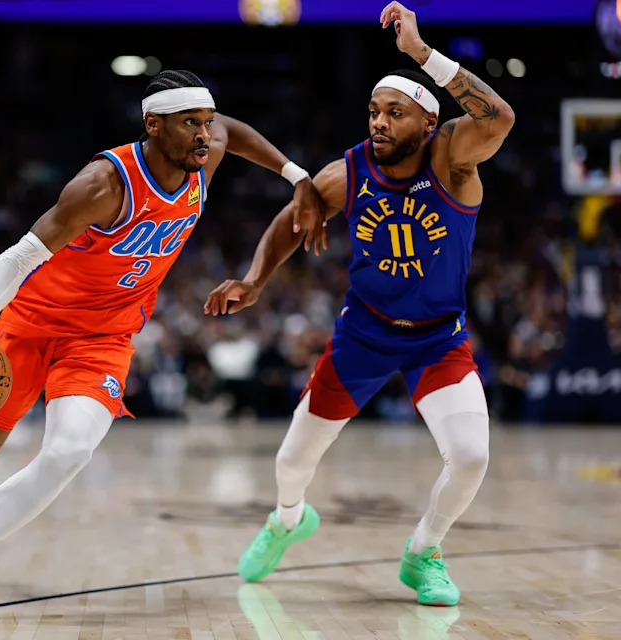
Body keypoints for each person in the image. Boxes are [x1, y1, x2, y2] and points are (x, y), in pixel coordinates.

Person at [0, 69, 323, 627]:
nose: (205, 135)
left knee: (68, 452)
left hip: (104, 338)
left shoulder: (204, 154)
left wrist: (296, 175)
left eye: (206, 123)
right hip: (33, 323)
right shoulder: (104, 184)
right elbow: (19, 257)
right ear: (153, 125)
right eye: (190, 124)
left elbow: (234, 129)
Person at [204, 2, 514, 607]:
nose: (379, 122)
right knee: (292, 460)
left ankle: (423, 552)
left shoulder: (453, 156)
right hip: (365, 333)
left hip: (436, 338)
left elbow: (499, 116)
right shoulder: (350, 172)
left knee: (472, 455)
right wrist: (256, 278)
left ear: (428, 121)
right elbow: (294, 218)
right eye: (373, 111)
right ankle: (288, 520)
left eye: (395, 113)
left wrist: (421, 54)